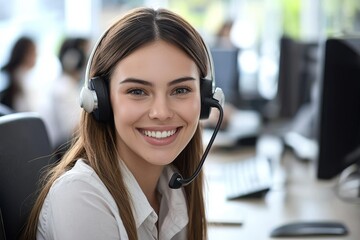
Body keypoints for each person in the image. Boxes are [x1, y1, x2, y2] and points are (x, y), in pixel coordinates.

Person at [23, 7, 223, 240]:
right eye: (137, 91)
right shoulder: (80, 197)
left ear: (206, 99)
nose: (161, 112)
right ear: (100, 101)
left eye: (181, 90)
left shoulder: (172, 188)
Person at [47, 37, 89, 149]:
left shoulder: (73, 86)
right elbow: (73, 130)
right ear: (73, 59)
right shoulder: (62, 88)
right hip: (63, 151)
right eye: (86, 54)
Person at [0, 36, 37, 111]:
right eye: (34, 52)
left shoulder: (17, 75)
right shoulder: (21, 78)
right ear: (25, 54)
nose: (36, 56)